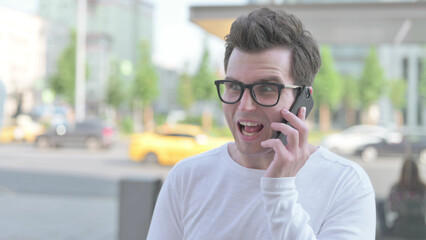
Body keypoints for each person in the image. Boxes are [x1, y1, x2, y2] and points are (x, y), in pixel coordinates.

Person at [147, 7, 376, 239]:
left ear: (302, 99)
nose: (245, 105)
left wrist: (280, 192)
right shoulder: (186, 178)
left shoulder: (346, 184)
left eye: (267, 89)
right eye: (234, 86)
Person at [388, 158, 426, 239]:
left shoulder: (423, 189)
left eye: (412, 173)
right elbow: (392, 208)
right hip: (401, 227)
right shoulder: (397, 189)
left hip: (419, 227)